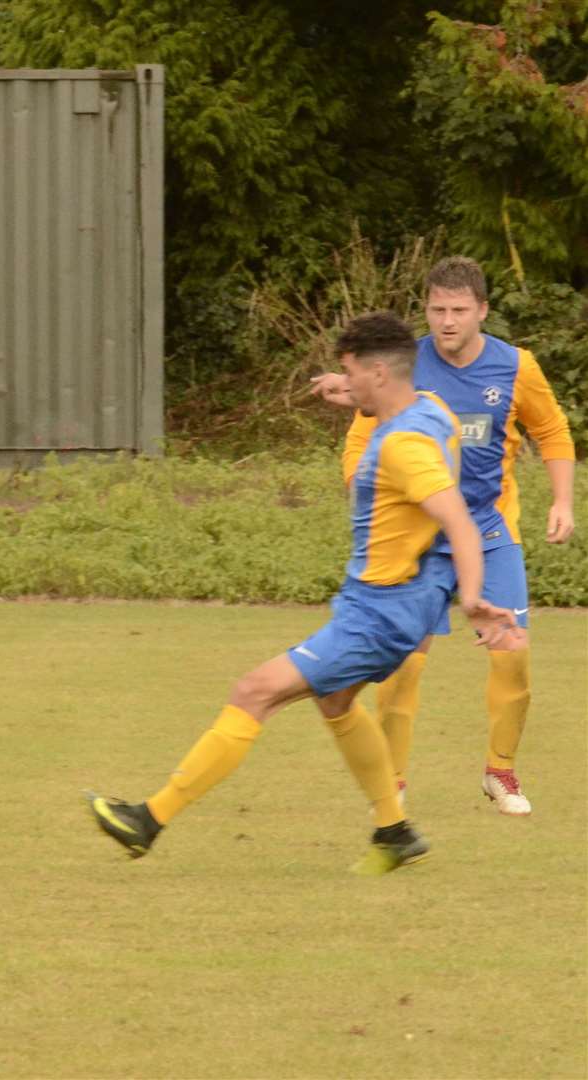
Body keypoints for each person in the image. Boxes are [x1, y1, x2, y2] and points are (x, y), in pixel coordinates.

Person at [89, 312, 516, 874]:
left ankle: (148, 820)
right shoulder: (432, 411)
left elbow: (458, 521)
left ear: (381, 373)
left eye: (352, 372)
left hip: (383, 611)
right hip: (388, 600)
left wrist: (474, 599)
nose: (346, 383)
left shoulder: (403, 446)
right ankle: (394, 831)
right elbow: (401, 408)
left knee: (255, 691)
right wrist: (350, 388)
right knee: (335, 701)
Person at [311, 257, 576, 815]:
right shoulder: (403, 367)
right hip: (421, 538)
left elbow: (550, 429)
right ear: (425, 309)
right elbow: (360, 442)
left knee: (512, 654)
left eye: (459, 310)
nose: (447, 321)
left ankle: (500, 771)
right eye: (437, 310)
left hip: (489, 526)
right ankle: (395, 783)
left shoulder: (515, 366)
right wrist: (364, 491)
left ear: (482, 310)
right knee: (404, 663)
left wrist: (562, 500)